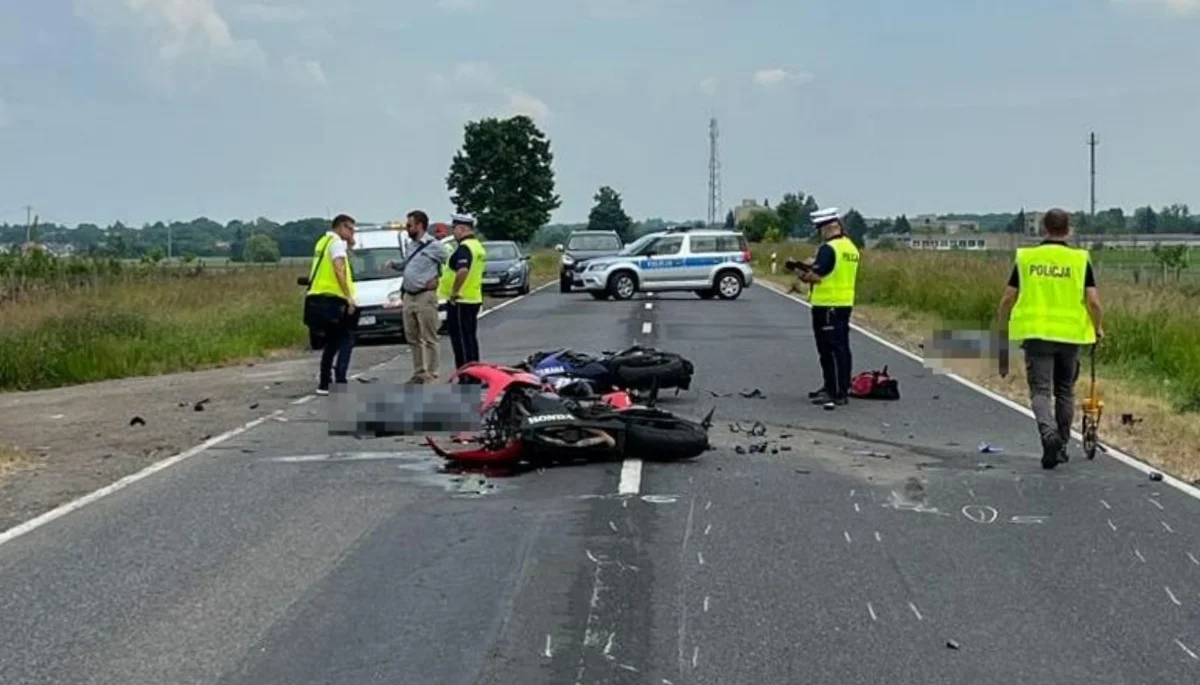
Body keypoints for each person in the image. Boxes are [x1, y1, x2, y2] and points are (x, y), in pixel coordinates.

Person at [997, 207, 1104, 470]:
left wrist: (1002, 324)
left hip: (1037, 335)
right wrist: (1098, 327)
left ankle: (1048, 433)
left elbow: (1008, 298)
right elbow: (1093, 302)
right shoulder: (1079, 260)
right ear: (1068, 229)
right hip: (1070, 336)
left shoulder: (1027, 259)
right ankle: (1063, 445)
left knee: (1041, 391)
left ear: (1044, 228)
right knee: (1065, 390)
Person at [791, 207, 860, 410]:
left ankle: (834, 391)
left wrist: (799, 272)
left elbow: (817, 276)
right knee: (841, 347)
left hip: (827, 304)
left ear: (829, 227)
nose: (820, 233)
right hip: (843, 302)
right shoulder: (850, 247)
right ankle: (840, 386)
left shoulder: (829, 249)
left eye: (820, 228)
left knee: (828, 350)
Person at [384, 210, 447, 384]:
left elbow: (449, 263)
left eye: (409, 225)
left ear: (419, 225)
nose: (407, 228)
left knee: (429, 336)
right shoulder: (411, 245)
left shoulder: (434, 245)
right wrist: (394, 265)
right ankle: (419, 372)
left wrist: (438, 278)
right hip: (409, 295)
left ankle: (432, 373)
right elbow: (407, 264)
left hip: (425, 296)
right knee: (412, 336)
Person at [304, 213, 358, 395]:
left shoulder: (323, 242)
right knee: (346, 339)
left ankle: (325, 382)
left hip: (318, 299)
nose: (352, 232)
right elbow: (339, 268)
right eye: (350, 229)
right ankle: (340, 379)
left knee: (332, 342)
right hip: (334, 299)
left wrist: (350, 245)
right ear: (341, 227)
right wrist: (348, 296)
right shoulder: (336, 243)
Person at [444, 213, 487, 374]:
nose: (453, 232)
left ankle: (467, 375)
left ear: (462, 229)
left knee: (461, 341)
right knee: (469, 339)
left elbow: (462, 271)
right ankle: (475, 372)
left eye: (454, 228)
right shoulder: (477, 246)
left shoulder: (464, 248)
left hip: (461, 300)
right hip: (472, 297)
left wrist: (455, 292)